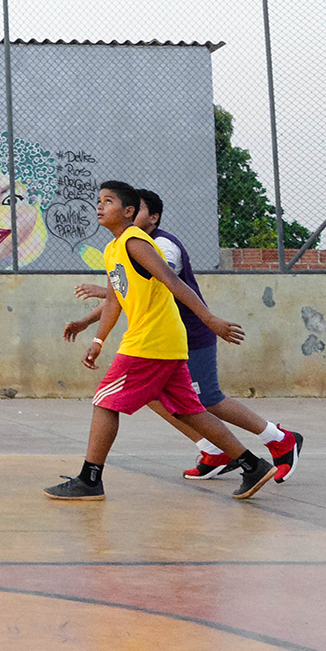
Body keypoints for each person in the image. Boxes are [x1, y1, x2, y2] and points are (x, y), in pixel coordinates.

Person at [45, 181, 275, 502]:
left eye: (108, 201)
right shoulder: (113, 249)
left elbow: (170, 280)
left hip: (149, 342)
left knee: (104, 401)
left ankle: (90, 478)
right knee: (188, 411)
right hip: (163, 342)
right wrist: (96, 336)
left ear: (128, 212)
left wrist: (209, 319)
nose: (99, 206)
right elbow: (115, 299)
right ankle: (253, 465)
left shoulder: (134, 241)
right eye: (98, 201)